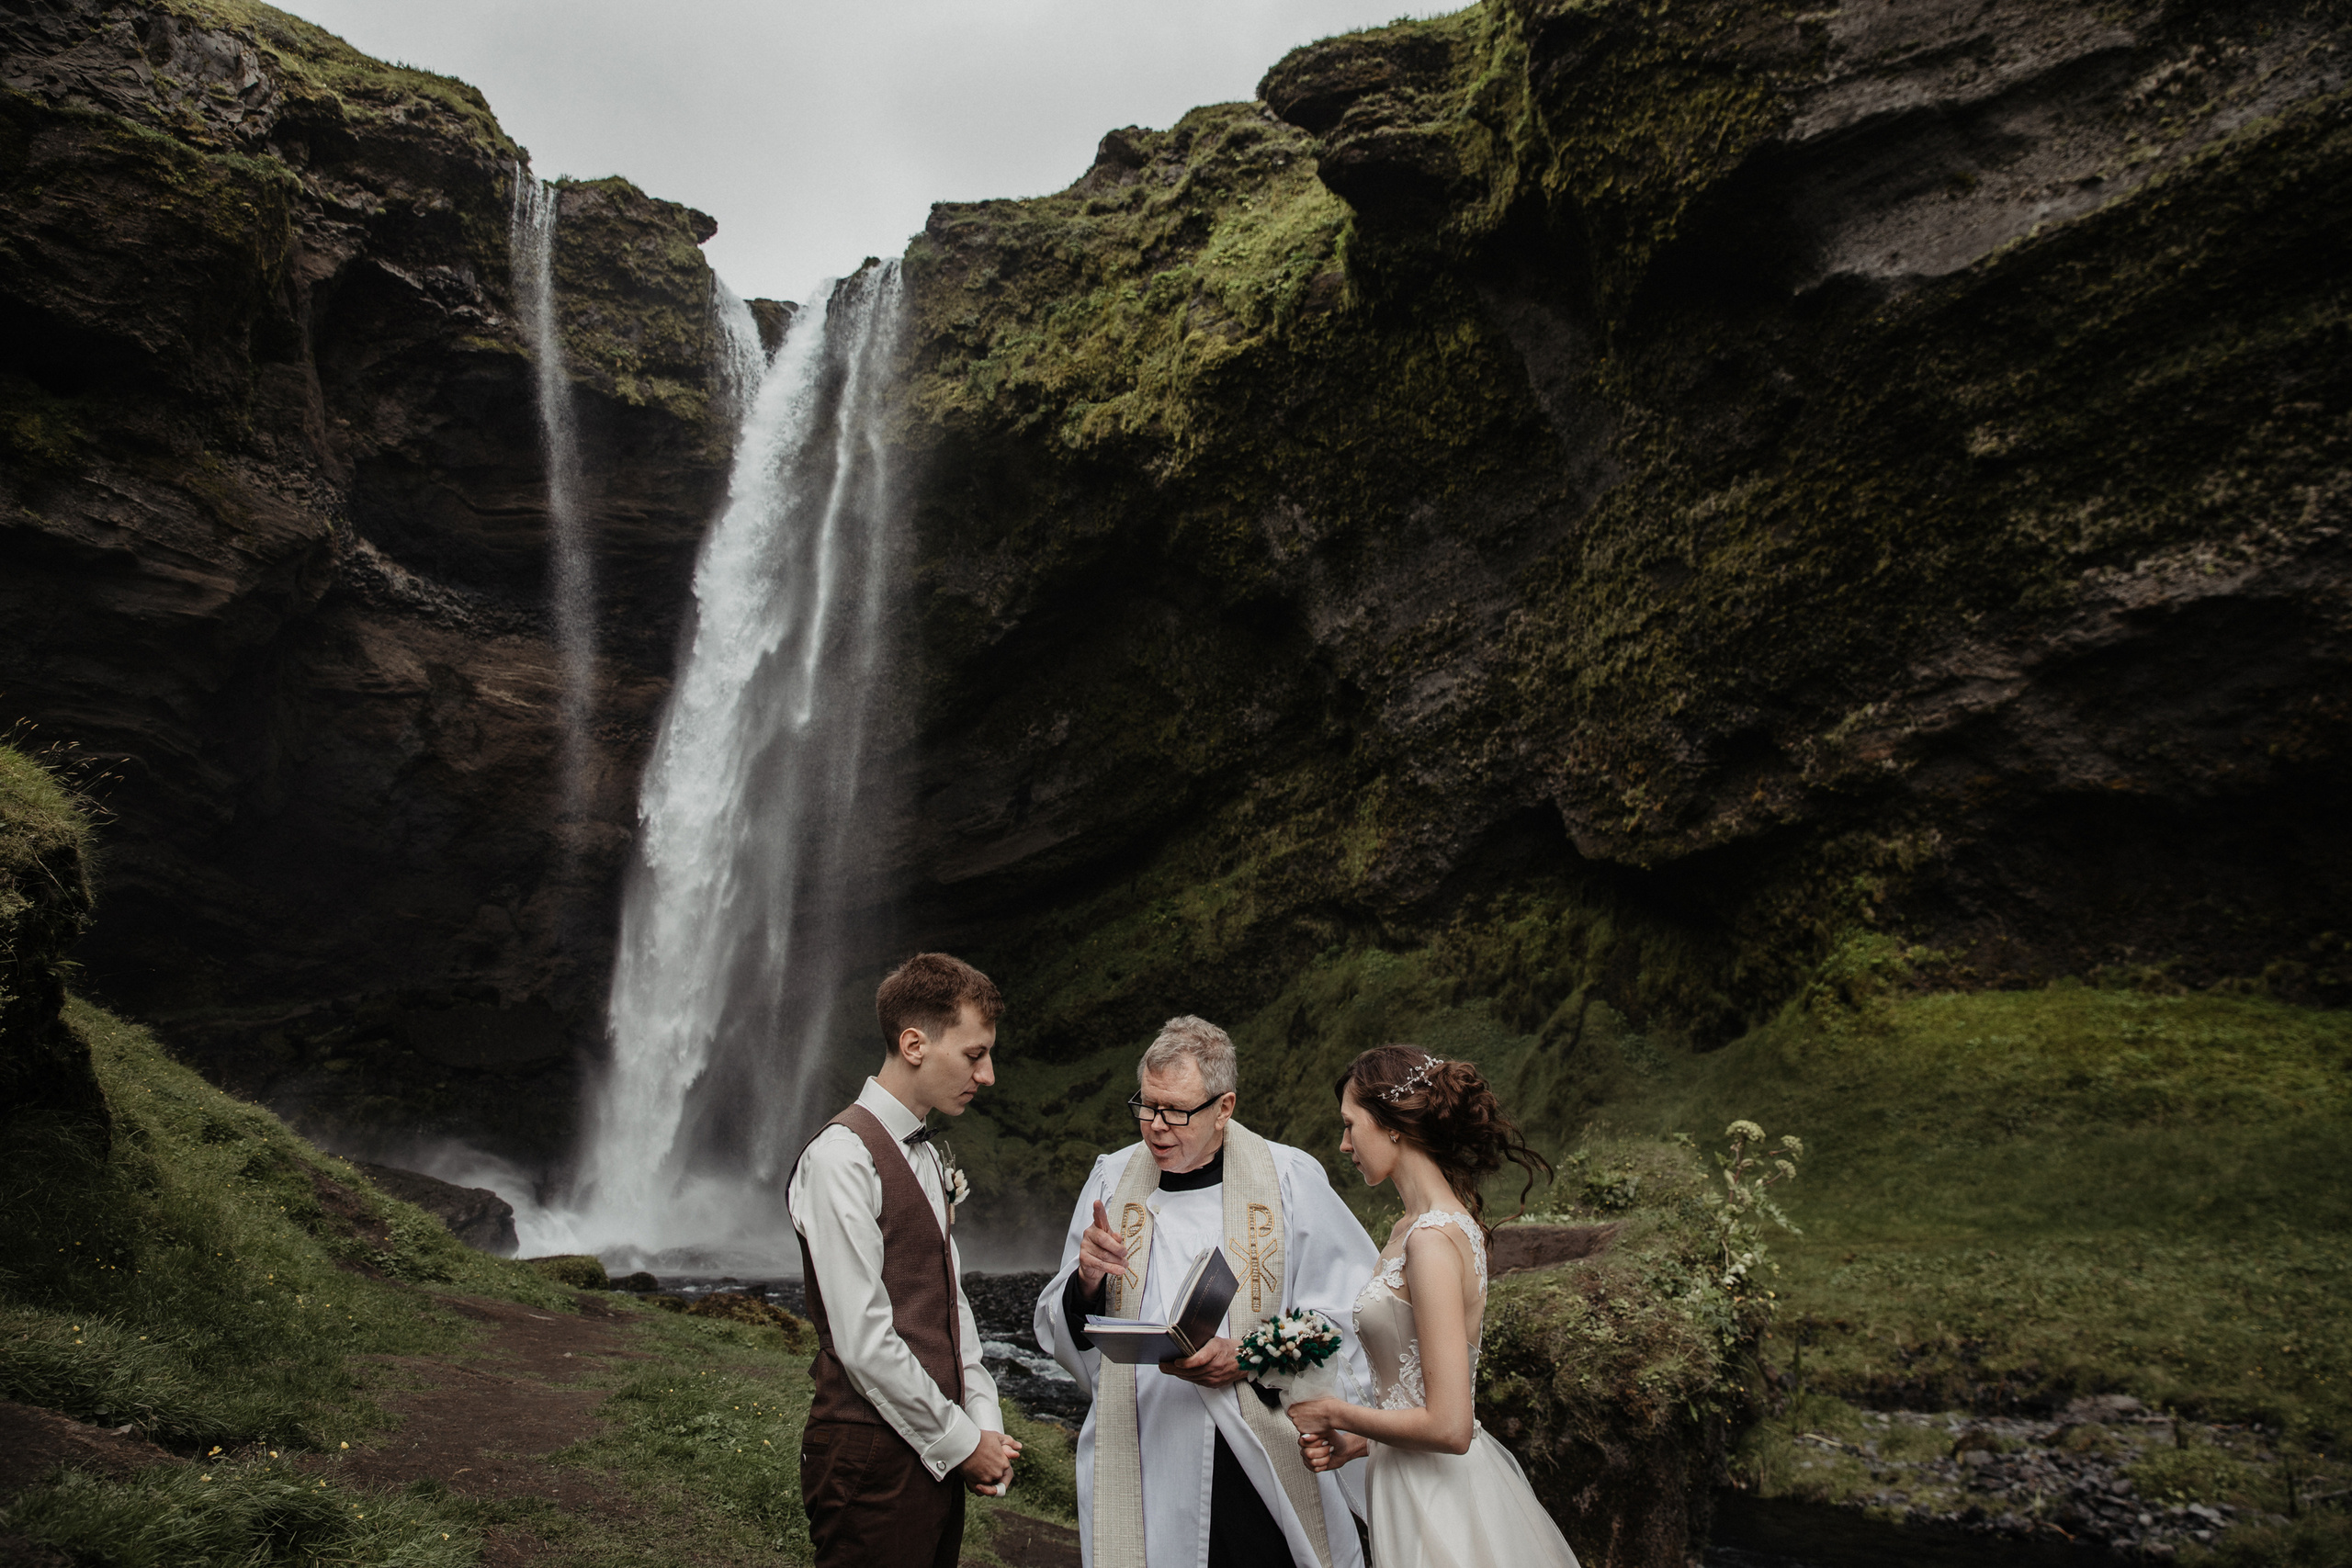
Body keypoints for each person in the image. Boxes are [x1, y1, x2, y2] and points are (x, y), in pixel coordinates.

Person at [1035, 1016, 1380, 1568]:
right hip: (1146, 1442)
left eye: (1176, 1111)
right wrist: (1087, 1281)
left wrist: (1248, 1356)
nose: (1155, 1127)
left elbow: (1352, 1312)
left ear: (1224, 1107)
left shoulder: (1287, 1179)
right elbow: (1063, 1323)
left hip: (1262, 1446)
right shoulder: (1112, 1181)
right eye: (1146, 1106)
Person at [1287, 1046, 1581, 1568]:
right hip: (1408, 1481)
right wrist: (1359, 1442)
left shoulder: (1429, 1241)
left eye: (1351, 1126)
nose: (1344, 1144)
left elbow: (1450, 1427)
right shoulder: (1417, 1228)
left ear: (1391, 1125)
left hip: (1438, 1502)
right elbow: (1416, 1397)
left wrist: (1335, 1412)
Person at [787, 953, 1023, 1568]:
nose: (988, 1074)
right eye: (975, 1054)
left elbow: (949, 1300)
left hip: (930, 1451)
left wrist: (983, 1419)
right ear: (915, 1044)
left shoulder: (927, 1153)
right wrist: (962, 1441)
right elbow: (862, 1340)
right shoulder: (841, 1159)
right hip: (869, 1457)